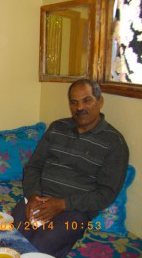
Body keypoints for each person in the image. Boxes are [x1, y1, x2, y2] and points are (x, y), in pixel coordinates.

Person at [11, 79, 129, 258]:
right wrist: (33, 195)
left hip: (74, 211)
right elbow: (34, 166)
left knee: (36, 249)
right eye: (74, 102)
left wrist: (62, 204)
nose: (79, 107)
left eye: (87, 100)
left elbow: (106, 194)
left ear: (100, 101)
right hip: (39, 200)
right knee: (5, 239)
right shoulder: (57, 128)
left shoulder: (114, 143)